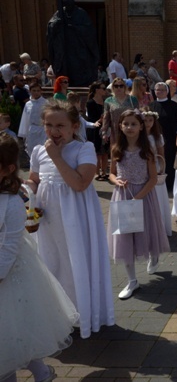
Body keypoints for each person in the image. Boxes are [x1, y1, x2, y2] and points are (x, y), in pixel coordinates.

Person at [24, 100, 115, 338]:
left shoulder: (83, 149)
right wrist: (25, 188)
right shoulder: (38, 151)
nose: (54, 131)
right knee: (51, 262)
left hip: (76, 218)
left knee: (75, 262)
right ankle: (57, 314)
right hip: (48, 219)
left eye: (60, 126)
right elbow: (35, 179)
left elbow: (79, 183)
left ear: (74, 126)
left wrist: (56, 157)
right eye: (49, 125)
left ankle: (81, 313)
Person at [0, 133, 77, 382]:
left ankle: (41, 373)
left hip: (10, 274)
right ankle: (39, 373)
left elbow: (9, 245)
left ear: (8, 169)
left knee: (15, 330)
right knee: (8, 333)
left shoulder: (12, 203)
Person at [107, 110, 169, 299]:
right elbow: (110, 173)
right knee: (125, 237)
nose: (129, 127)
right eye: (126, 124)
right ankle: (132, 280)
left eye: (133, 124)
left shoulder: (146, 151)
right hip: (123, 196)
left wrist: (138, 197)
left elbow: (152, 179)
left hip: (143, 196)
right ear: (120, 126)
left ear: (141, 126)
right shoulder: (116, 148)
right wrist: (116, 181)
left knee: (147, 231)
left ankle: (154, 254)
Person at [46, 0, 99, 87]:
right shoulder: (60, 13)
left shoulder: (81, 13)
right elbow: (51, 25)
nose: (68, 8)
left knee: (81, 68)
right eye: (67, 6)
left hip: (78, 46)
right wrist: (57, 23)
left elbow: (89, 29)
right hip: (64, 48)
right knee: (65, 68)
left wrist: (74, 27)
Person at [142, 107, 173, 237]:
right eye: (145, 120)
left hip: (155, 165)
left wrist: (161, 168)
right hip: (142, 167)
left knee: (157, 195)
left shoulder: (157, 137)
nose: (148, 123)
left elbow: (161, 154)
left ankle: (160, 225)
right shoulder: (138, 137)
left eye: (150, 120)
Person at [149, 82, 177, 191]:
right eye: (157, 90)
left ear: (167, 92)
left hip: (170, 138)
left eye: (162, 90)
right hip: (155, 138)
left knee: (169, 161)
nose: (159, 92)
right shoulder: (151, 106)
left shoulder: (174, 106)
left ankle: (170, 184)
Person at [102, 78, 138, 147]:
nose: (119, 88)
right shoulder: (108, 100)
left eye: (121, 86)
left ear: (125, 87)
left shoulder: (132, 99)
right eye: (116, 86)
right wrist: (104, 132)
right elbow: (106, 117)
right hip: (115, 131)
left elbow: (138, 115)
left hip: (130, 129)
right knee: (117, 153)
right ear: (113, 87)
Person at [85, 82, 110, 181]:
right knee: (97, 152)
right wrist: (100, 119)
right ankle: (96, 172)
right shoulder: (90, 102)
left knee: (105, 152)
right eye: (103, 88)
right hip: (95, 129)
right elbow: (91, 118)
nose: (105, 90)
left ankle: (104, 172)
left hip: (105, 128)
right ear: (97, 90)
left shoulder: (106, 102)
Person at [17, 80, 47, 158]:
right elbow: (25, 119)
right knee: (32, 150)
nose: (36, 92)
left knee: (42, 150)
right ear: (30, 91)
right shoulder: (28, 104)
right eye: (34, 90)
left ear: (41, 91)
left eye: (38, 91)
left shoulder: (46, 103)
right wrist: (24, 133)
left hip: (43, 129)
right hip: (32, 129)